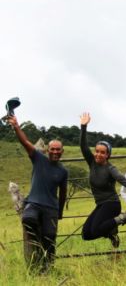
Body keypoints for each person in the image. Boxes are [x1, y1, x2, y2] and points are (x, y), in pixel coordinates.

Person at [7, 115, 68, 273]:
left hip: (51, 208)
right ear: (48, 150)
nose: (55, 152)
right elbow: (25, 142)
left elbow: (63, 193)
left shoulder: (63, 171)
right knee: (28, 219)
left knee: (50, 239)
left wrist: (60, 212)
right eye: (52, 149)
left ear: (62, 151)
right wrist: (16, 126)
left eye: (58, 150)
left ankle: (47, 269)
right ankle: (36, 256)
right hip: (33, 203)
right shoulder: (39, 158)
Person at [79, 112, 126, 247]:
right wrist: (83, 127)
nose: (98, 154)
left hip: (111, 204)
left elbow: (122, 180)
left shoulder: (110, 169)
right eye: (97, 151)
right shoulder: (92, 162)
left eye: (102, 152)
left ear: (108, 155)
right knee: (86, 234)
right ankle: (111, 231)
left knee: (95, 229)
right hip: (100, 204)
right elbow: (83, 146)